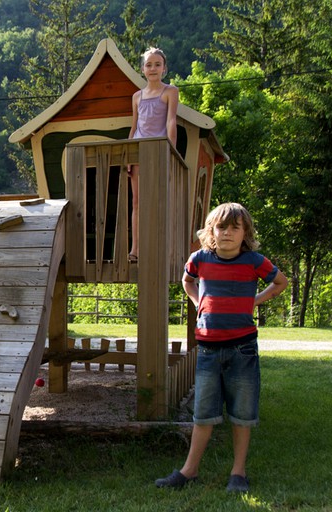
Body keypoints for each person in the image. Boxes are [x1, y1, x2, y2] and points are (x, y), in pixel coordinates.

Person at [155, 202, 288, 493]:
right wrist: (198, 303)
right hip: (208, 350)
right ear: (212, 231)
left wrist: (253, 301)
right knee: (203, 413)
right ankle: (189, 471)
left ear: (245, 233)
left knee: (242, 414)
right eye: (221, 227)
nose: (227, 232)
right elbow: (187, 281)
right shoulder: (200, 259)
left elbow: (281, 282)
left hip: (243, 350)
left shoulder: (254, 261)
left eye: (234, 227)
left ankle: (238, 473)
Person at [127, 47, 179, 263]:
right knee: (137, 202)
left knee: (158, 199)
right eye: (149, 65)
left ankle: (160, 246)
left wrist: (170, 150)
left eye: (157, 64)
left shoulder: (169, 92)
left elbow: (170, 121)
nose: (153, 68)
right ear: (143, 69)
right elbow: (134, 126)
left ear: (164, 68)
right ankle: (135, 248)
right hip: (138, 150)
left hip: (157, 149)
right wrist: (128, 155)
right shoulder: (137, 96)